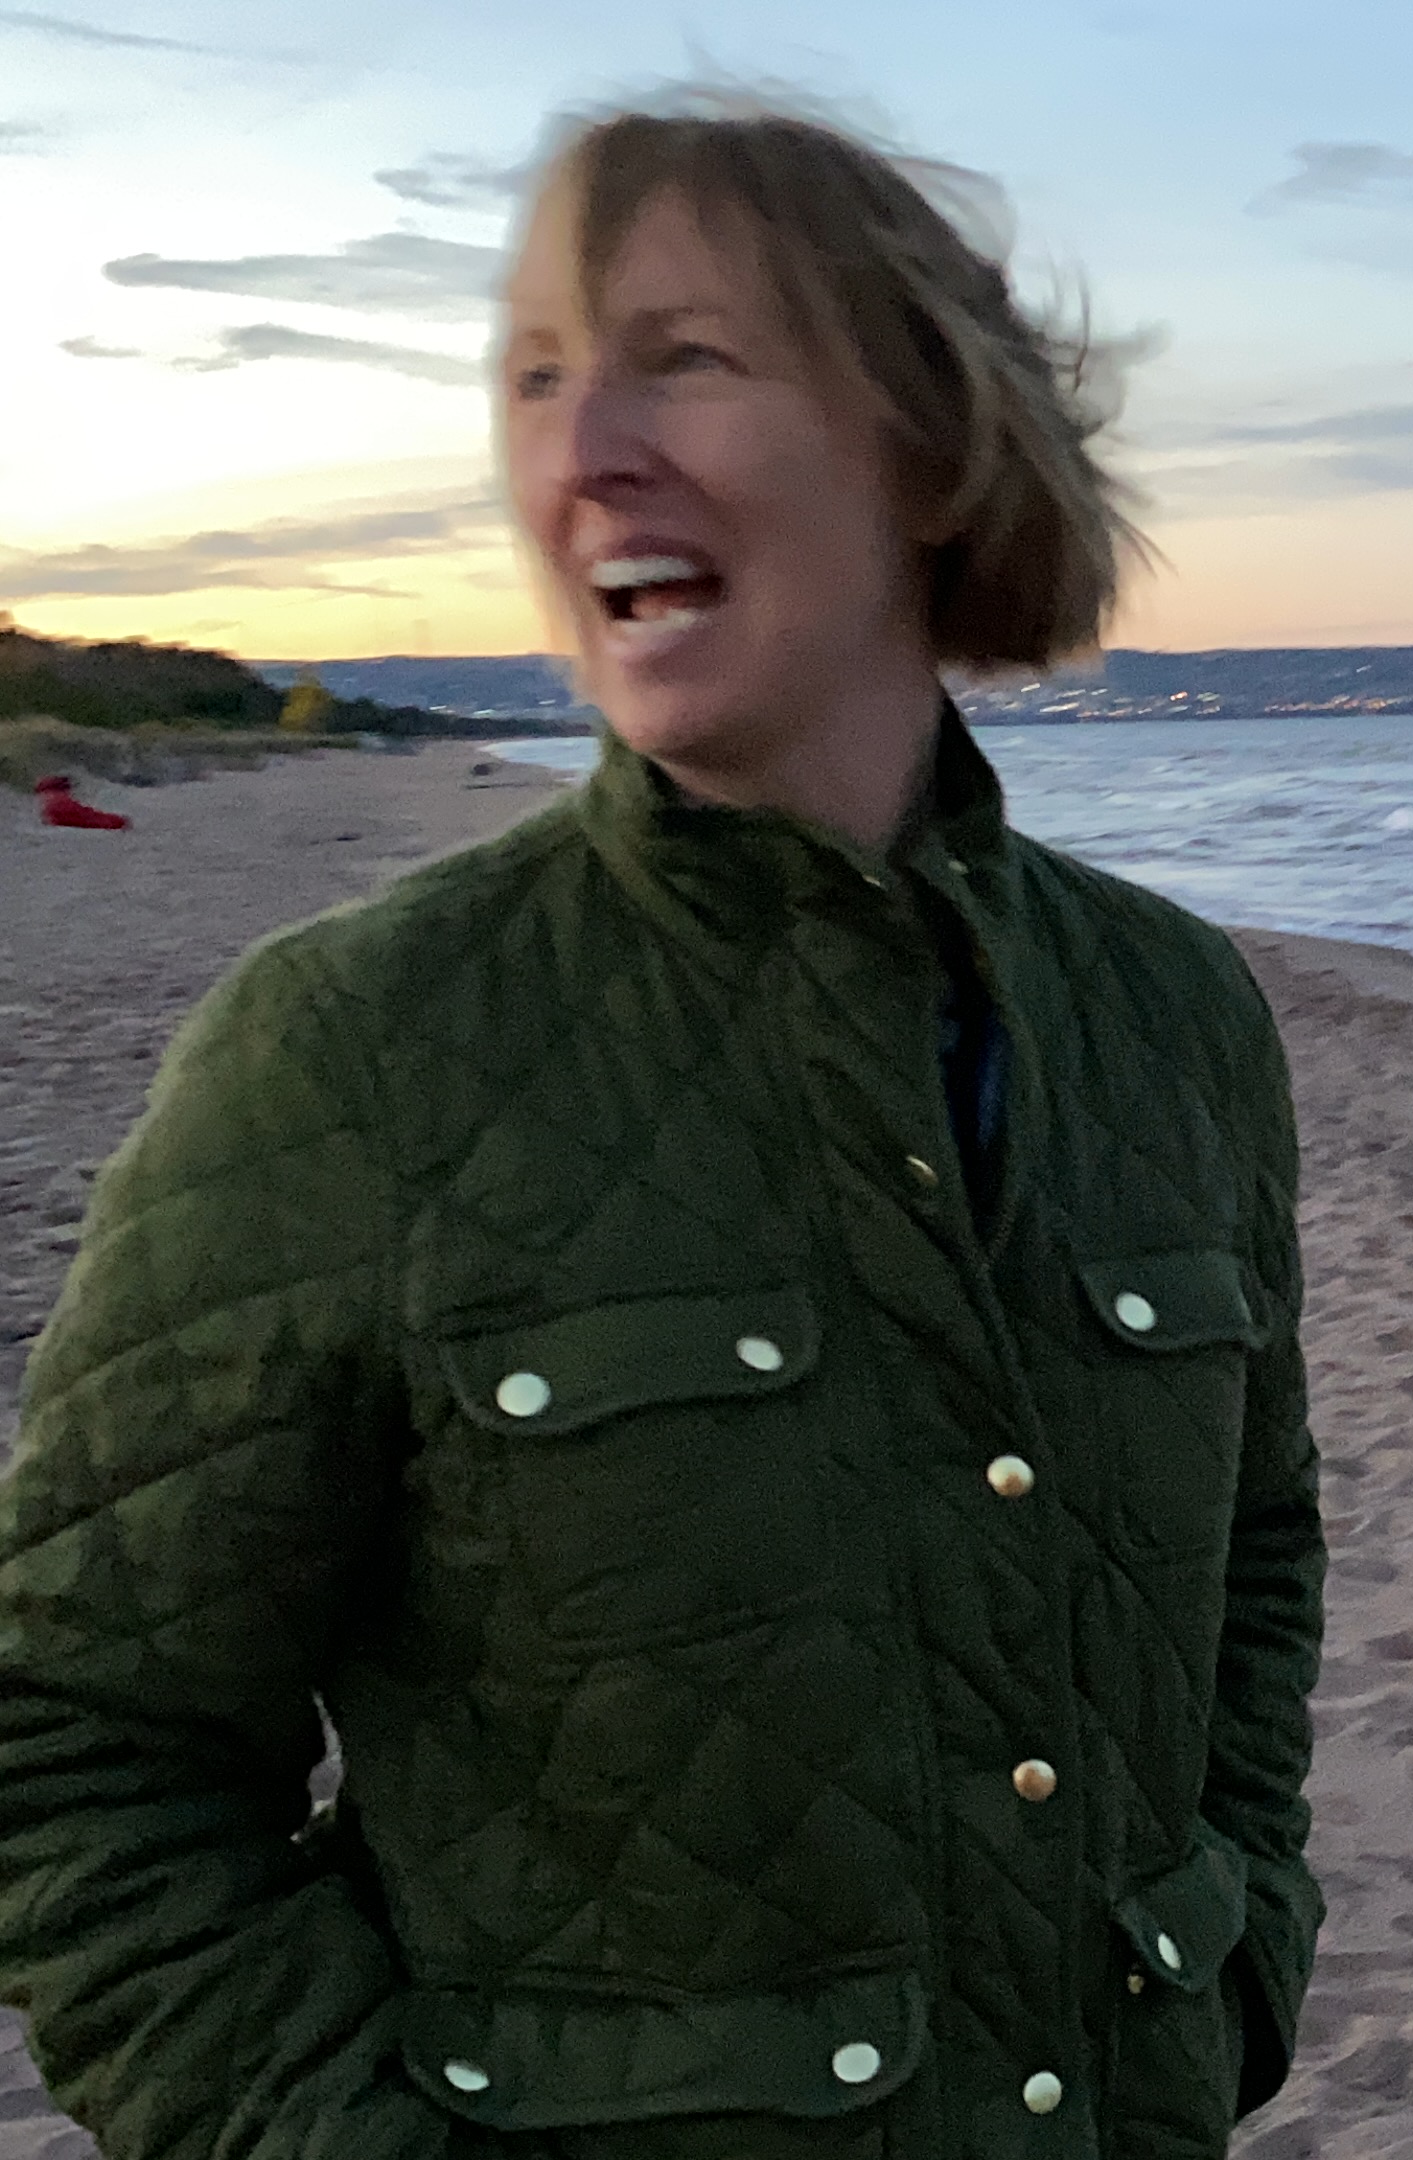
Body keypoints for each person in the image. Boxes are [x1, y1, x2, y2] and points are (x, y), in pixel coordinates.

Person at [0, 97, 1324, 2158]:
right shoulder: (357, 1051)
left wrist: (1236, 1969)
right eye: (536, 379)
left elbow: (1254, 1557)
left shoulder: (1173, 1016)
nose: (582, 451)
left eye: (684, 357)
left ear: (932, 441)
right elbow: (78, 1745)